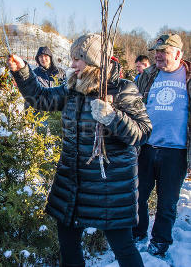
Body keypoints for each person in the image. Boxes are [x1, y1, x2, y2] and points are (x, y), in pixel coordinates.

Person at [8, 33, 152, 267]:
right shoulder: (72, 88)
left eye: (77, 59)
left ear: (94, 61)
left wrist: (112, 117)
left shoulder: (122, 89)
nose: (72, 64)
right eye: (72, 58)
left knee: (123, 247)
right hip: (73, 181)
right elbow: (41, 98)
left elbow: (142, 133)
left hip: (109, 185)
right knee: (68, 244)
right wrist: (23, 71)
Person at [133, 33, 190, 256]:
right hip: (146, 147)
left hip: (175, 152)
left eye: (163, 52)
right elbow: (134, 102)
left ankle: (160, 243)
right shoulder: (148, 75)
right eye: (156, 52)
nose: (158, 56)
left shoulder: (188, 76)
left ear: (178, 54)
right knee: (138, 195)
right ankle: (137, 234)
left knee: (167, 202)